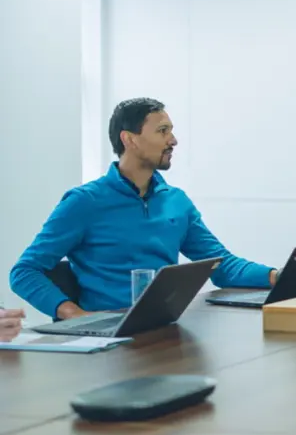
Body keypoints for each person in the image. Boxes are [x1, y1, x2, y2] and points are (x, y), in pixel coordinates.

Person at [10, 98, 278, 319]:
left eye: (171, 131)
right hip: (108, 340)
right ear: (130, 139)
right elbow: (24, 271)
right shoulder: (84, 202)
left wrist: (276, 276)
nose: (173, 140)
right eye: (162, 131)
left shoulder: (176, 201)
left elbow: (221, 266)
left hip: (164, 331)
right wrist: (74, 314)